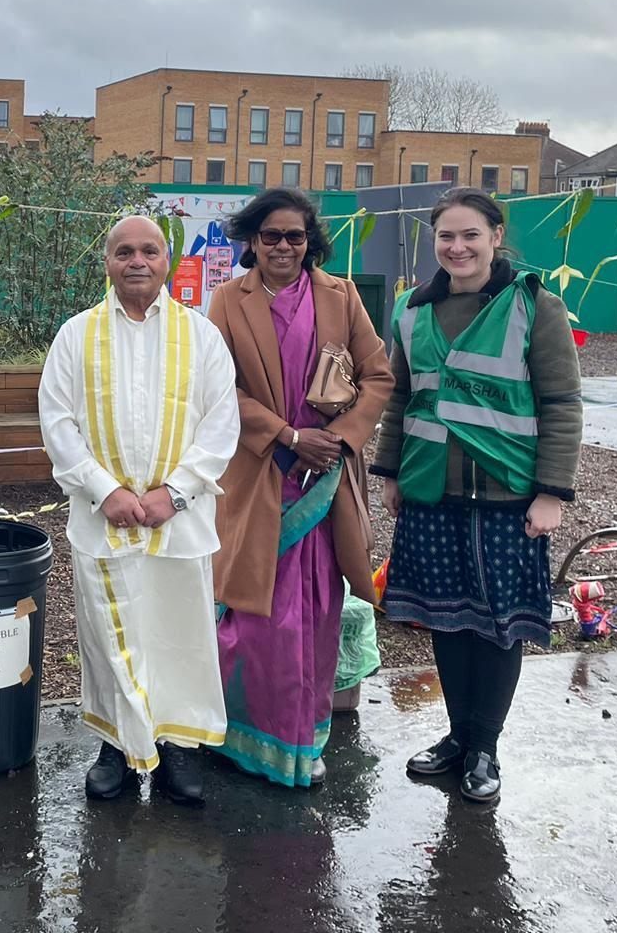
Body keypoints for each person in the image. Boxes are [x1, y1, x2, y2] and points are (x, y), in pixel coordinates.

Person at [372, 186, 582, 804]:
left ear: (496, 236)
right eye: (446, 236)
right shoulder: (411, 310)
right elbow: (401, 398)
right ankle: (459, 736)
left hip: (508, 493)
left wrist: (552, 493)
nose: (457, 247)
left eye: (470, 234)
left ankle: (485, 746)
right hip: (431, 488)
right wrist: (390, 473)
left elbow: (562, 405)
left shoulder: (535, 305)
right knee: (446, 618)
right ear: (434, 242)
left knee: (496, 626)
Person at [38, 215, 240, 805]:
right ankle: (119, 750)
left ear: (167, 262)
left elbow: (220, 423)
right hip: (106, 521)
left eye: (149, 250)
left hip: (179, 520)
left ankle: (179, 749)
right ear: (108, 262)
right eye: (124, 251)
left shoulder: (201, 336)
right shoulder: (76, 335)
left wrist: (174, 492)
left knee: (180, 636)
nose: (137, 261)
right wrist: (105, 491)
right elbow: (58, 423)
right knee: (107, 638)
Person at [205, 188, 393, 788]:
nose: (284, 247)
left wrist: (338, 439)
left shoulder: (341, 296)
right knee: (254, 614)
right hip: (260, 474)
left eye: (295, 236)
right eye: (270, 236)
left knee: (313, 612)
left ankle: (301, 742)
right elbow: (218, 390)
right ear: (251, 241)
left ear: (311, 240)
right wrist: (287, 434)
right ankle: (244, 737)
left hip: (324, 480)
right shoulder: (226, 302)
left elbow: (377, 376)